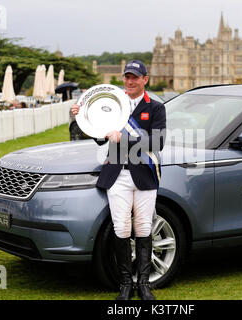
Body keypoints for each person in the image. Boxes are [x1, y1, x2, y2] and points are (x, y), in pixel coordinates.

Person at [71, 60, 166, 300]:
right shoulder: (112, 104)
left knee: (144, 228)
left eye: (135, 77)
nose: (130, 81)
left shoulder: (155, 107)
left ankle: (143, 285)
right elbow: (102, 139)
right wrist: (82, 117)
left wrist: (123, 140)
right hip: (117, 175)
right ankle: (125, 284)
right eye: (127, 77)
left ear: (145, 79)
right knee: (121, 228)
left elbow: (158, 142)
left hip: (144, 174)